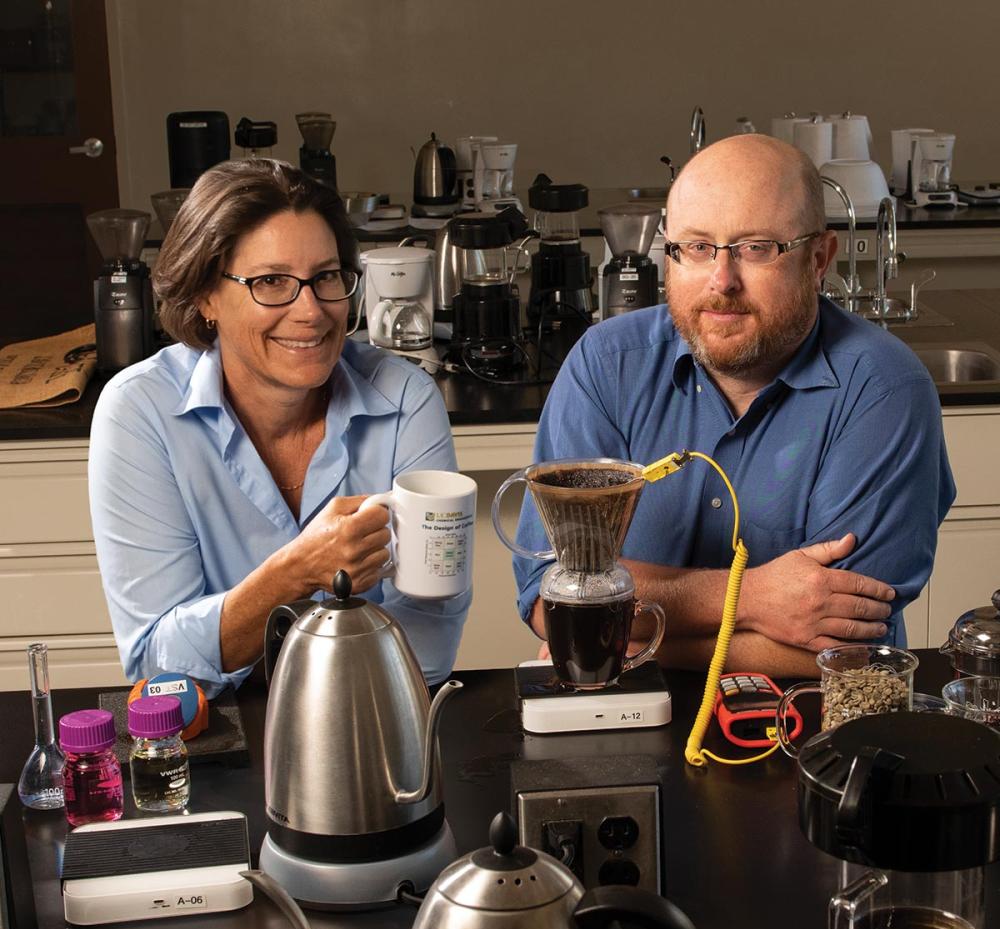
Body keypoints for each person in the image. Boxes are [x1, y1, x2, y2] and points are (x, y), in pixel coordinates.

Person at [514, 134, 955, 676]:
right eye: (697, 248)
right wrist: (753, 597)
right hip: (617, 726)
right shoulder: (606, 365)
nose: (722, 281)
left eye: (756, 247)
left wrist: (610, 643)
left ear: (819, 258)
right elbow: (547, 598)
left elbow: (850, 649)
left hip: (815, 733)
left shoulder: (884, 389)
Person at [89, 159, 470, 697]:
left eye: (326, 277)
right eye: (271, 281)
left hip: (375, 728)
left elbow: (429, 645)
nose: (311, 311)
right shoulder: (141, 411)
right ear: (205, 297)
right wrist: (295, 572)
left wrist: (249, 636)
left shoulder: (405, 398)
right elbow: (158, 666)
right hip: (223, 742)